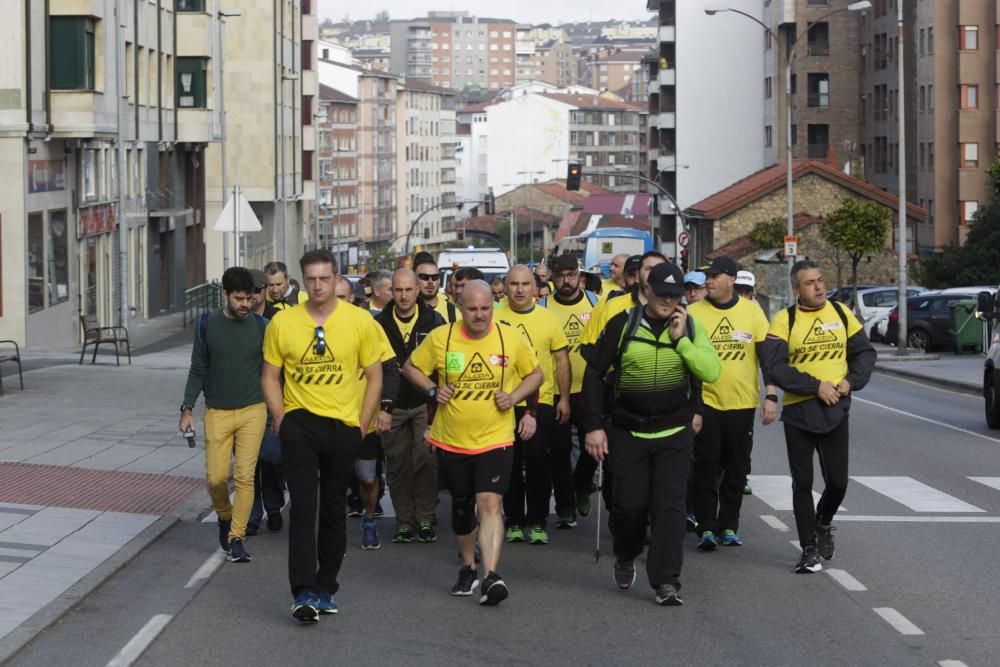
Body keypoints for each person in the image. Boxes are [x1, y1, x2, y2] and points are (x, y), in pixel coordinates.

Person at [581, 262, 720, 606]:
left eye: (675, 295)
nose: (668, 302)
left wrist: (682, 341)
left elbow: (711, 371)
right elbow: (595, 374)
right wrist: (594, 425)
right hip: (629, 431)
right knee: (630, 508)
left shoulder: (690, 327)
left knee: (670, 508)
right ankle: (626, 554)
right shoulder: (622, 324)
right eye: (662, 294)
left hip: (674, 431)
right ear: (647, 291)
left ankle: (667, 581)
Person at [261, 250, 384, 622]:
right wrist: (281, 418)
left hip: (344, 427)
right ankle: (303, 592)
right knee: (302, 508)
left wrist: (362, 423)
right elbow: (269, 376)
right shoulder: (283, 323)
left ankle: (326, 587)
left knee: (333, 508)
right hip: (300, 424)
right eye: (311, 279)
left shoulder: (359, 321)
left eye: (324, 279)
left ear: (335, 279)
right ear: (303, 280)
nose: (317, 286)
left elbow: (375, 375)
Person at [403, 280, 543, 606]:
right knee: (463, 507)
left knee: (490, 503)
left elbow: (535, 374)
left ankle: (491, 575)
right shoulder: (443, 337)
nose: (479, 315)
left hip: (496, 438)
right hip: (452, 440)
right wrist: (433, 391)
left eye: (485, 308)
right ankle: (468, 566)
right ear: (458, 305)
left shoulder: (510, 337)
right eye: (472, 309)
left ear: (493, 305)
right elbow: (410, 367)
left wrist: (515, 397)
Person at [763, 260, 876, 574]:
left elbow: (865, 353)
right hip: (800, 412)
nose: (819, 287)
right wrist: (816, 387)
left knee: (838, 483)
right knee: (803, 483)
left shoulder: (841, 313)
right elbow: (775, 367)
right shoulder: (784, 319)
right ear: (796, 289)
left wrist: (850, 381)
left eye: (821, 280)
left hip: (836, 409)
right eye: (810, 282)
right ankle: (808, 549)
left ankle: (823, 521)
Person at [687, 256, 778, 550]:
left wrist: (771, 396)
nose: (708, 282)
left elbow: (767, 358)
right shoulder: (693, 312)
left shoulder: (752, 312)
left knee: (736, 468)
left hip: (741, 404)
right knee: (706, 466)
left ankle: (728, 525)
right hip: (705, 405)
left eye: (714, 276)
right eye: (706, 277)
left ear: (730, 280)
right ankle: (706, 528)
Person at [180, 267, 268, 563]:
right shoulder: (206, 324)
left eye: (250, 299)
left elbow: (273, 372)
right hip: (217, 411)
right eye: (240, 299)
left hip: (253, 410)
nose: (246, 305)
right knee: (216, 479)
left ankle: (237, 537)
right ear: (225, 294)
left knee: (244, 477)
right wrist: (187, 408)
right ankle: (224, 516)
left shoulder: (262, 327)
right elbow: (198, 368)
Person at [577, 251, 669, 513]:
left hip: (660, 408)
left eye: (658, 269)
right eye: (647, 268)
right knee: (617, 472)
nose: (652, 274)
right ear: (638, 274)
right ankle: (621, 520)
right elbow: (589, 349)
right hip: (615, 402)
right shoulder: (613, 307)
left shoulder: (677, 311)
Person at [496, 265, 571, 544]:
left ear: (535, 287)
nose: (519, 289)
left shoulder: (548, 319)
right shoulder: (494, 316)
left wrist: (563, 398)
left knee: (539, 460)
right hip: (503, 401)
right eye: (513, 284)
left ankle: (538, 520)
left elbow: (561, 360)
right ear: (505, 286)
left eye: (525, 284)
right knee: (510, 463)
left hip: (541, 400)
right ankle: (514, 520)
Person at [375, 269, 447, 544]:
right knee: (397, 464)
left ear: (418, 290)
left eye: (408, 290)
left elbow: (443, 362)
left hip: (424, 403)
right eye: (398, 290)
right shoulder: (378, 323)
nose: (403, 296)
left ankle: (426, 519)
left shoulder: (434, 321)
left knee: (426, 461)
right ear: (391, 291)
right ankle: (404, 521)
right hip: (390, 406)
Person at [334, 277, 398, 550]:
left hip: (363, 420)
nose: (336, 303)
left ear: (352, 299)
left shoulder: (368, 325)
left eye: (342, 298)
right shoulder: (314, 327)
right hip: (329, 419)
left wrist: (385, 407)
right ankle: (331, 529)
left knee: (368, 478)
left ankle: (369, 519)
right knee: (332, 479)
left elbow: (390, 367)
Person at [542, 254, 600, 527]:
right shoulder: (543, 306)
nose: (566, 281)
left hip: (589, 389)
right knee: (559, 451)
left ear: (580, 276)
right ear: (553, 277)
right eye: (561, 275)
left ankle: (582, 486)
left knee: (593, 448)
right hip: (555, 391)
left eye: (571, 275)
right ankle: (565, 507)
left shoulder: (595, 303)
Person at [248, 269, 284, 535]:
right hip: (245, 402)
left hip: (272, 400)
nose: (253, 296)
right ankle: (252, 514)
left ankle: (273, 506)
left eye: (258, 290)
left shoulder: (279, 319)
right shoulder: (238, 318)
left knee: (272, 458)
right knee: (249, 464)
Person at [413, 251, 459, 323]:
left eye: (434, 277)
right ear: (414, 279)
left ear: (439, 280)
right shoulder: (405, 310)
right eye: (424, 277)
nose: (430, 282)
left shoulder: (453, 313)